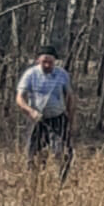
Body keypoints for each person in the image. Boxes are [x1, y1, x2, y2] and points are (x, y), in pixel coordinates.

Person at [16, 45, 74, 182]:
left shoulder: (62, 74)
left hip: (58, 119)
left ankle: (60, 182)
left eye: (50, 62)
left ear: (55, 62)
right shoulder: (30, 75)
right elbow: (19, 98)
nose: (47, 65)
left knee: (63, 153)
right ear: (38, 61)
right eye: (44, 62)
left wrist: (70, 119)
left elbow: (70, 97)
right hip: (37, 119)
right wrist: (30, 112)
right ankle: (35, 182)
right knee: (33, 153)